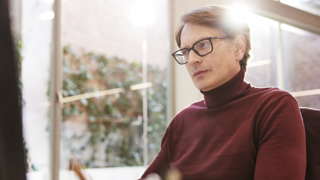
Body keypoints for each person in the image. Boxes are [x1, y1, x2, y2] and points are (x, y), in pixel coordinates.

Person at [140, 5, 306, 180]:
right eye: (185, 52)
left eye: (203, 45)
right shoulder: (182, 122)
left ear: (238, 48)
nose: (192, 59)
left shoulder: (273, 106)